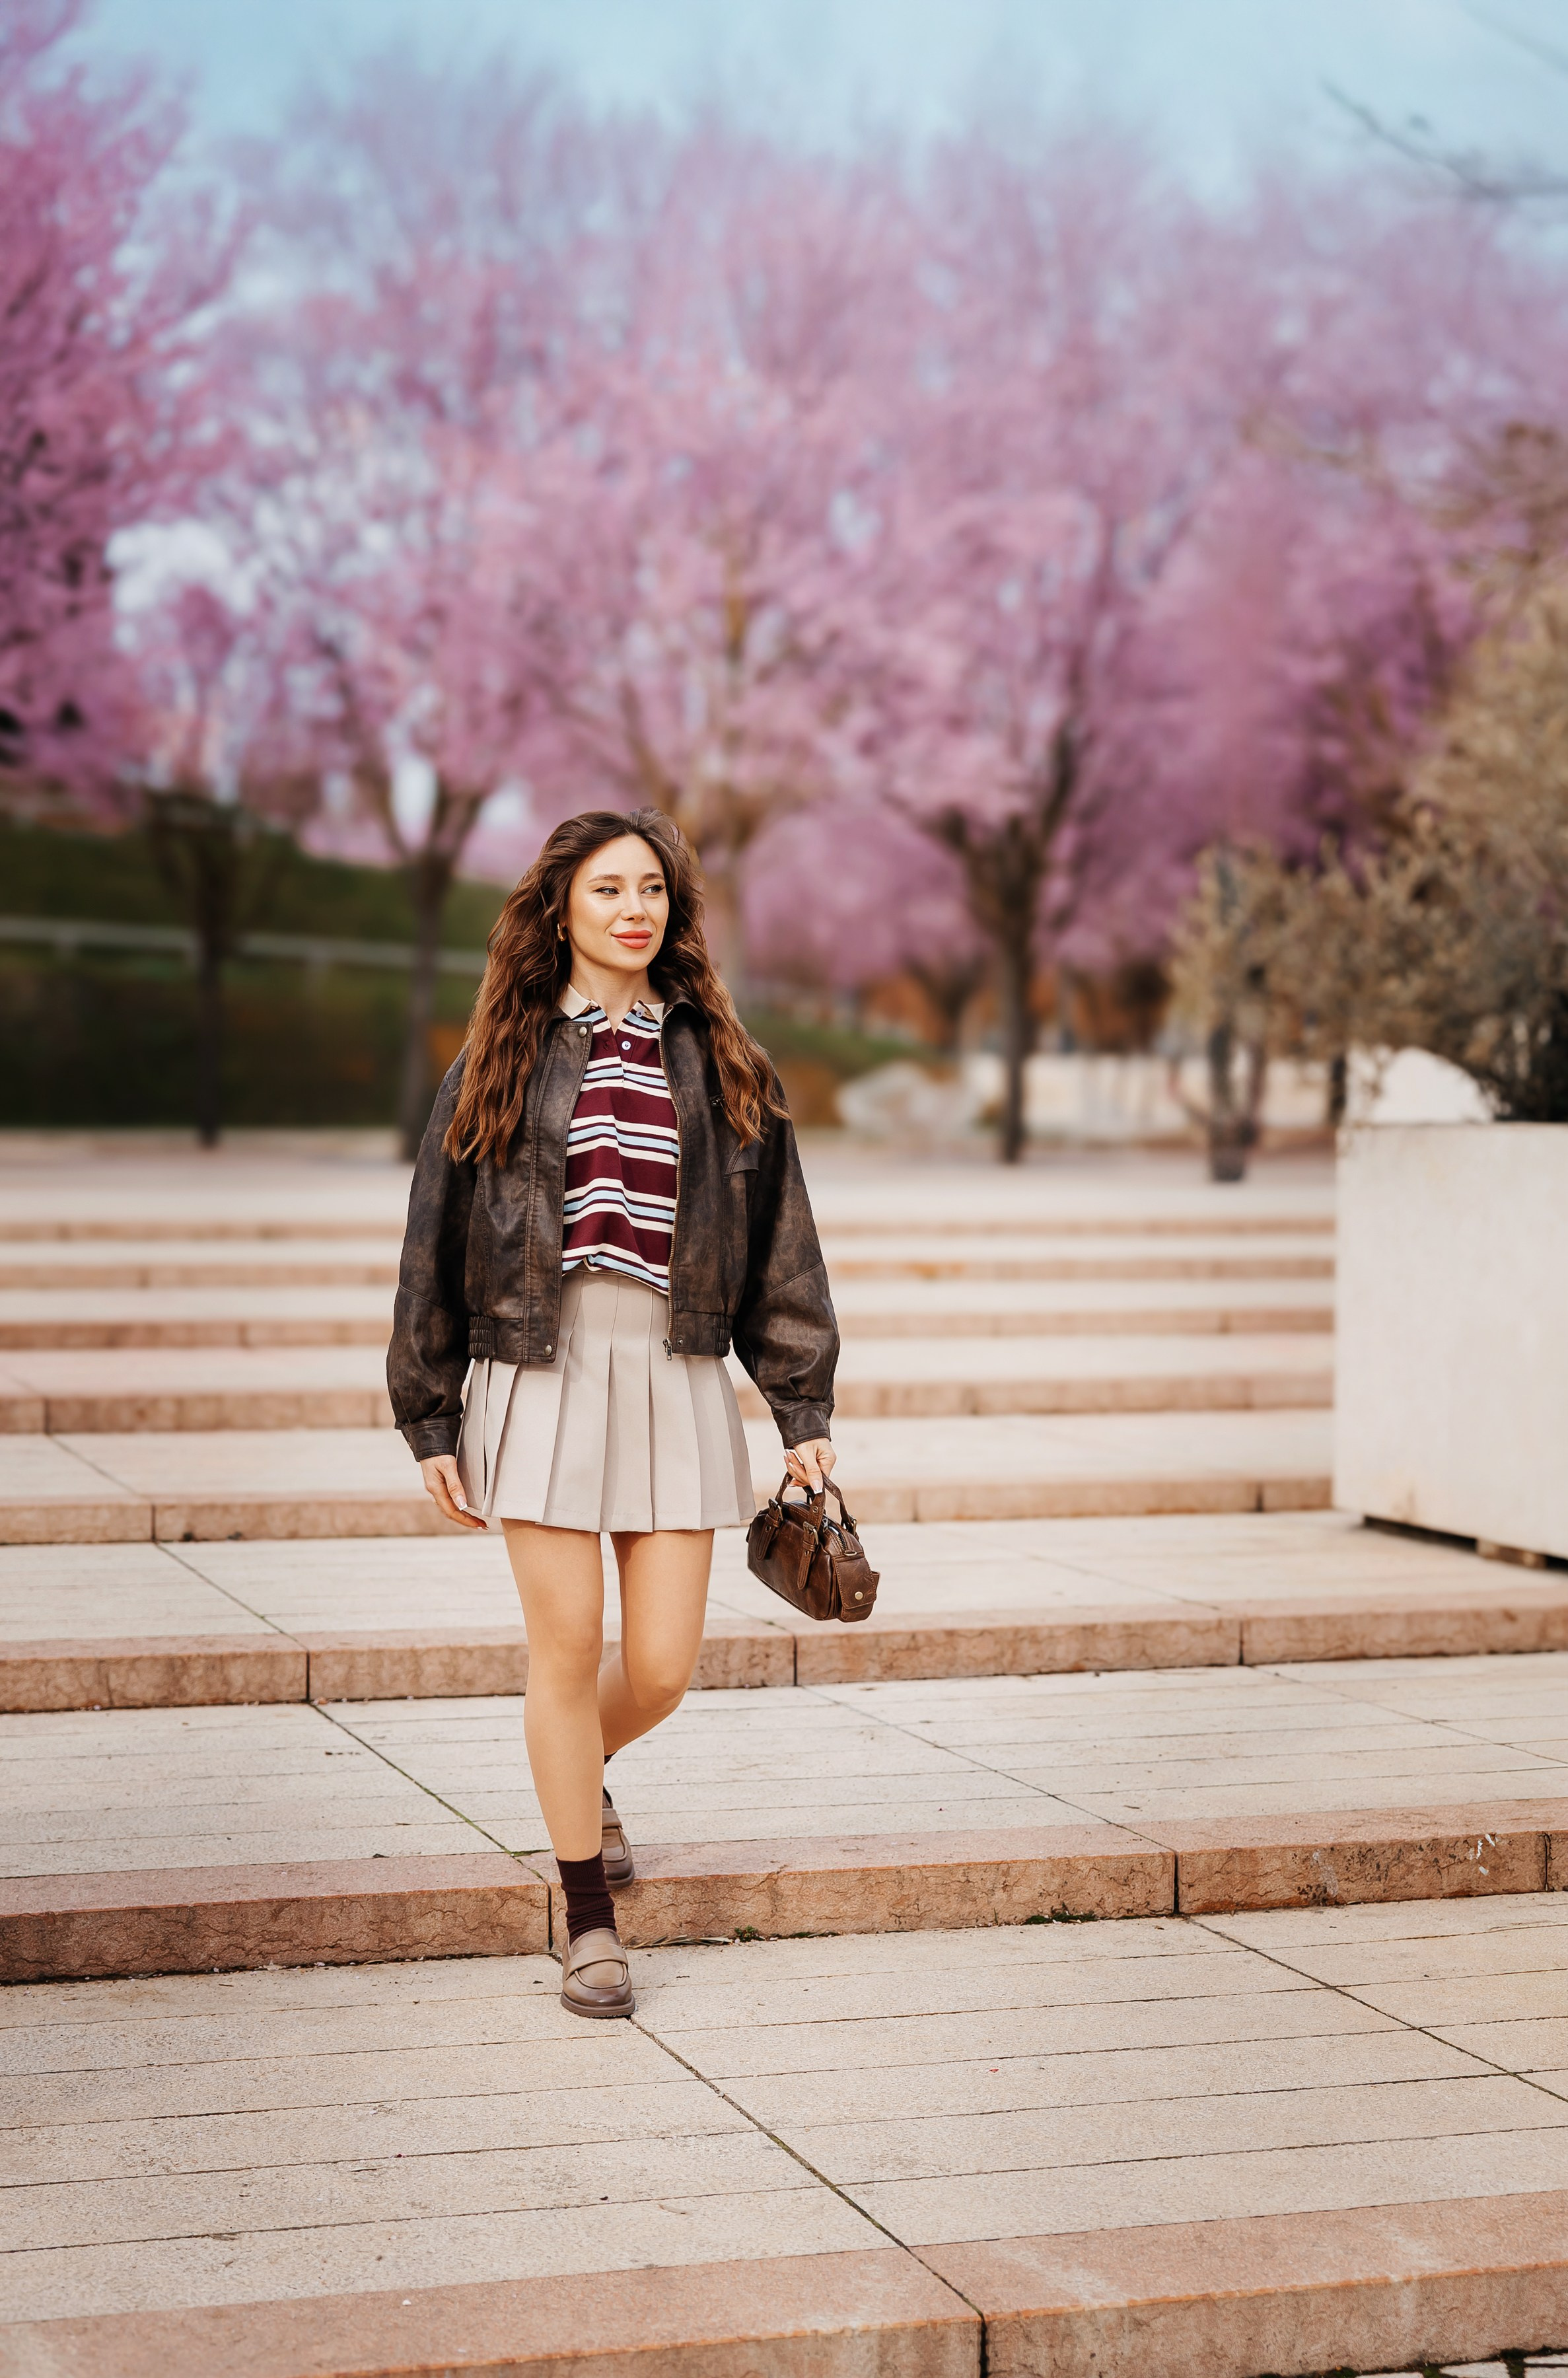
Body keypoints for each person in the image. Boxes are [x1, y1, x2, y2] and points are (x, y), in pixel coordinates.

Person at [388, 808, 837, 2019]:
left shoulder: (727, 1062)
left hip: (678, 1372)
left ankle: (573, 1771)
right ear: (561, 911)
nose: (633, 910)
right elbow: (430, 1242)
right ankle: (587, 1912)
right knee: (560, 1646)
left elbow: (779, 1246)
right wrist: (428, 1415)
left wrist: (799, 1405)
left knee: (660, 1666)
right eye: (606, 892)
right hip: (536, 1369)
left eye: (651, 891)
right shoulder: (498, 1058)